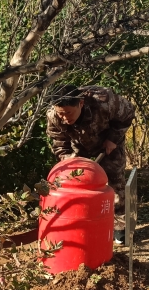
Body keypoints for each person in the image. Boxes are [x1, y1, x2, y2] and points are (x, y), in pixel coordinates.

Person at [47, 84, 136, 244]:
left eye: (68, 113)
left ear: (80, 103)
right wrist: (70, 161)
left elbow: (128, 112)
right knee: (78, 185)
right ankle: (85, 222)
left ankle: (120, 227)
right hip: (78, 148)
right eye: (61, 114)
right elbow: (59, 142)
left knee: (115, 184)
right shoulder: (54, 116)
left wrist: (113, 138)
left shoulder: (104, 101)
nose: (65, 118)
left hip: (108, 145)